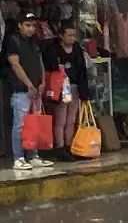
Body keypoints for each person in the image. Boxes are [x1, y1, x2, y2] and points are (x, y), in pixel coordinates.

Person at [3, 12, 52, 170]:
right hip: (21, 90)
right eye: (27, 25)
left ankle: (33, 155)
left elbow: (40, 62)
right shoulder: (13, 41)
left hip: (36, 90)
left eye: (33, 26)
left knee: (34, 123)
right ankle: (18, 157)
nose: (31, 29)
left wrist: (43, 81)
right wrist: (29, 84)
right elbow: (15, 64)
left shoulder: (35, 42)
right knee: (20, 124)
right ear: (20, 25)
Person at [42, 25, 91, 160]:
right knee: (60, 119)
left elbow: (82, 71)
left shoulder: (77, 50)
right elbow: (49, 66)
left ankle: (69, 145)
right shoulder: (53, 50)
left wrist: (84, 92)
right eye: (69, 35)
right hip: (60, 88)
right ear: (62, 36)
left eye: (74, 36)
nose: (72, 38)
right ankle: (60, 146)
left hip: (74, 87)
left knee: (71, 119)